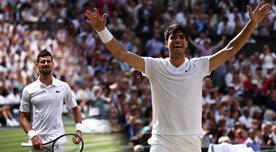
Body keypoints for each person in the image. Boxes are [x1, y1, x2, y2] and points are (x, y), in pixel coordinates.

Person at [85, 1, 271, 152]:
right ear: (166, 43)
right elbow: (123, 54)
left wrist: (252, 23)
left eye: (182, 37)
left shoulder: (200, 65)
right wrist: (102, 30)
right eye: (174, 37)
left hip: (191, 142)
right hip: (162, 142)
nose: (178, 40)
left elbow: (231, 48)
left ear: (187, 43)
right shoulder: (154, 66)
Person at [19, 50, 83, 151]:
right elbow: (22, 117)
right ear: (37, 65)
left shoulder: (64, 86)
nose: (46, 64)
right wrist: (33, 136)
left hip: (58, 141)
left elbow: (75, 108)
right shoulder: (28, 89)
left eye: (48, 61)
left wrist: (79, 130)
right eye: (43, 62)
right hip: (37, 142)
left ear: (53, 64)